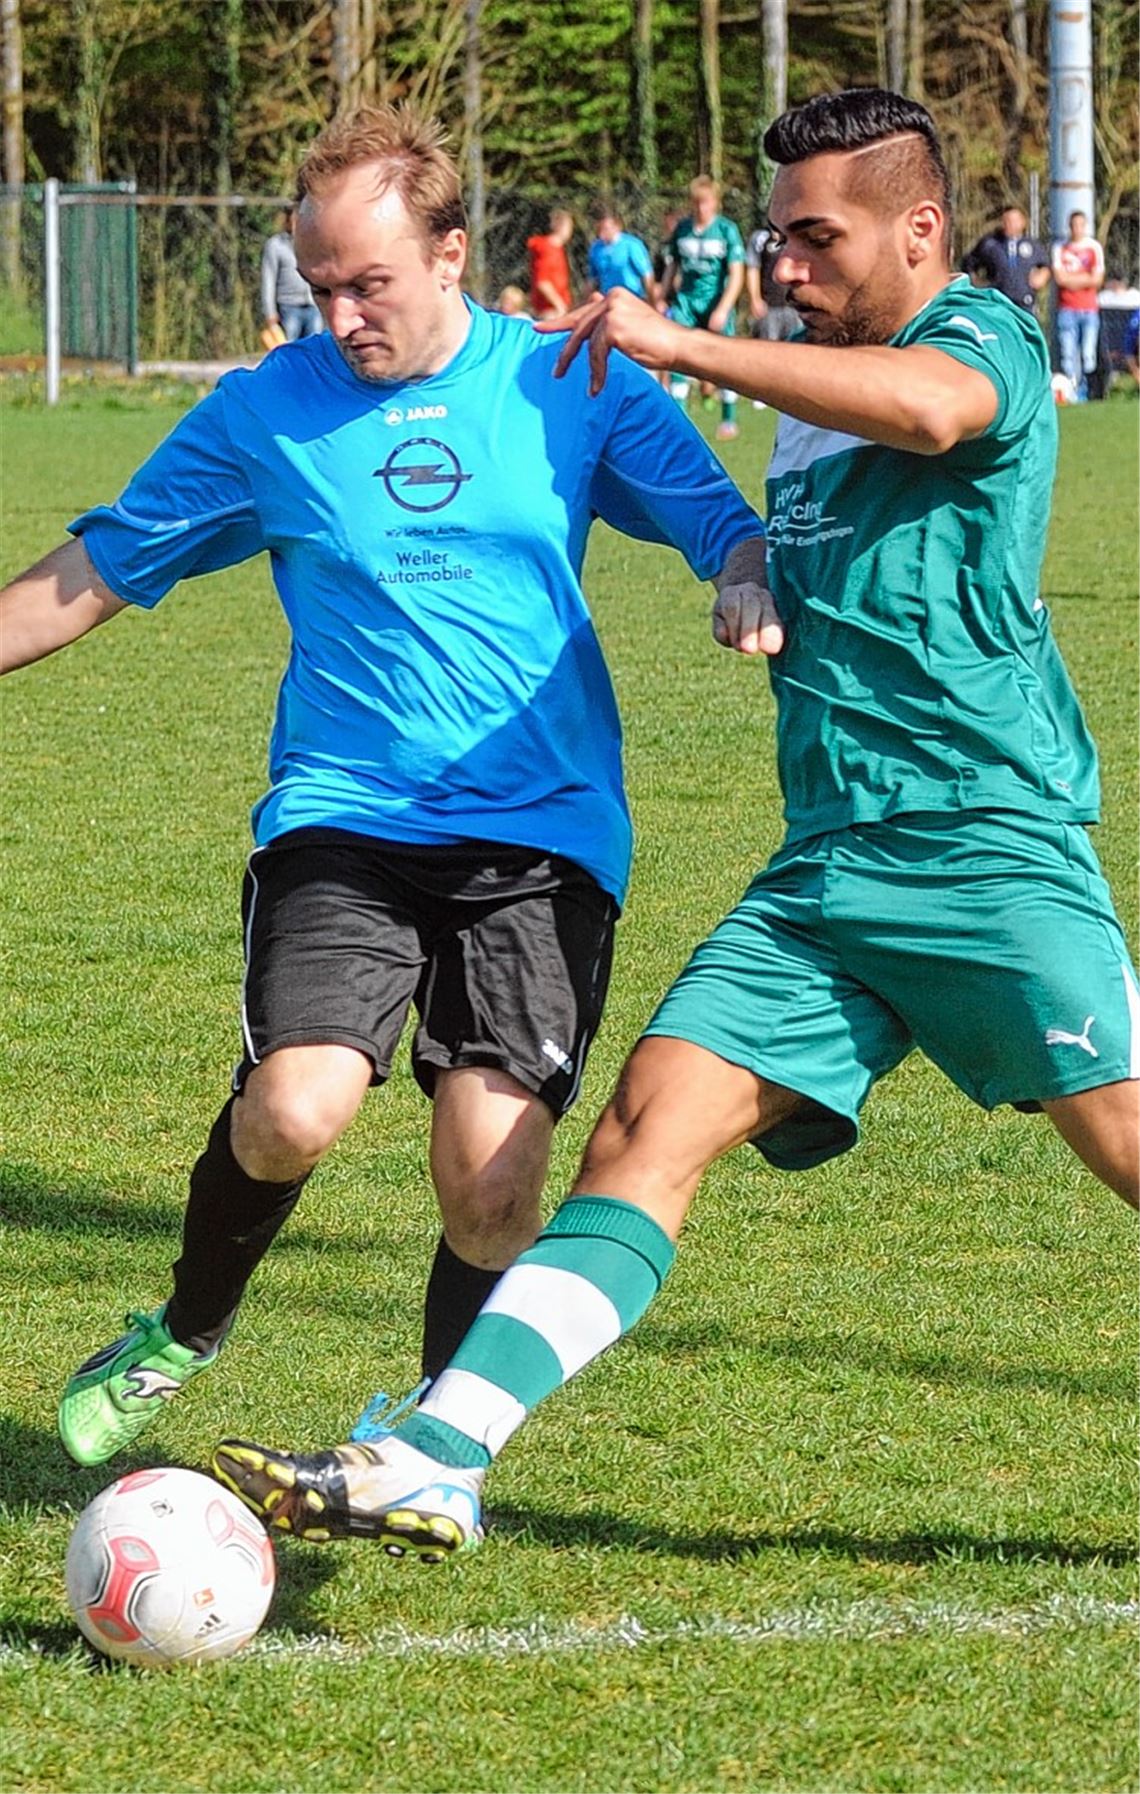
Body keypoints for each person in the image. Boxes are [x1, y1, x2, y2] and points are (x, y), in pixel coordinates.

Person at [212, 88, 1137, 1563]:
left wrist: (683, 341)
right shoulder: (804, 399)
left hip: (981, 848)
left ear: (921, 227)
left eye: (817, 238)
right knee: (645, 1125)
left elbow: (936, 414)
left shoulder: (983, 337)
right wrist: (744, 577)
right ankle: (442, 1453)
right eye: (777, 239)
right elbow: (786, 534)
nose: (787, 266)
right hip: (827, 867)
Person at [0, 102, 769, 1470]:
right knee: (294, 1108)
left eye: (372, 283)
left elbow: (722, 521)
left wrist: (744, 572)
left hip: (542, 835)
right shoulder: (263, 413)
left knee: (492, 1183)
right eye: (321, 288)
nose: (344, 315)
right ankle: (181, 1327)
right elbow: (91, 577)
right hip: (345, 815)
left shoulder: (571, 380)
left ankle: (423, 1450)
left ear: (453, 254)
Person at [659, 176, 745, 440]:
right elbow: (672, 265)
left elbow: (736, 273)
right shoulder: (682, 229)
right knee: (677, 355)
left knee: (724, 359)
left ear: (715, 203)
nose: (701, 208)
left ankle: (728, 420)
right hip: (686, 301)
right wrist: (663, 296)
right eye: (696, 203)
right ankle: (680, 420)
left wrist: (723, 308)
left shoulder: (727, 230)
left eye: (706, 202)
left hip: (715, 301)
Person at [743, 218, 799, 409]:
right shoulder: (760, 238)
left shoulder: (796, 236)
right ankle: (764, 391)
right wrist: (755, 298)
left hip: (793, 305)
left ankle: (793, 390)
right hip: (770, 305)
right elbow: (752, 268)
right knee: (767, 349)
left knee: (795, 349)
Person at [1052, 211, 1105, 402]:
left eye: (1081, 224)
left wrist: (1073, 280)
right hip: (1067, 308)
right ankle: (1072, 393)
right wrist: (1084, 279)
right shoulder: (1060, 248)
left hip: (1089, 309)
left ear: (1085, 226)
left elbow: (1097, 279)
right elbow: (1060, 278)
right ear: (1069, 226)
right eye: (1074, 225)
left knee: (1088, 353)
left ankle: (1086, 392)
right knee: (1068, 354)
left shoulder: (1093, 248)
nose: (1077, 228)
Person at [963, 205, 1050, 316]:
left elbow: (1045, 264)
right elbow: (969, 263)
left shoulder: (1032, 245)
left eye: (1014, 220)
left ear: (1023, 222)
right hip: (997, 303)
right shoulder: (990, 244)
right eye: (1007, 220)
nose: (1010, 224)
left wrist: (1042, 275)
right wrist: (977, 283)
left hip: (1024, 303)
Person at [260, 205, 323, 341]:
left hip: (313, 305)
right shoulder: (275, 245)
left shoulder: (314, 242)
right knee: (290, 350)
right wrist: (269, 312)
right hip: (288, 307)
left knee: (313, 352)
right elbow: (268, 279)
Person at [587, 210, 656, 302]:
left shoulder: (631, 245)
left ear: (617, 227)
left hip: (631, 298)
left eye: (606, 228)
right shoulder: (596, 248)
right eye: (599, 229)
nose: (602, 232)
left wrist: (652, 301)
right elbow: (592, 279)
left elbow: (647, 273)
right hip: (607, 300)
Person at [525, 208, 574, 319]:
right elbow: (542, 282)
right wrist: (559, 306)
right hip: (550, 310)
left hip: (555, 308)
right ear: (558, 226)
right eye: (569, 226)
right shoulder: (547, 249)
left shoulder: (558, 249)